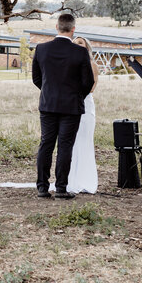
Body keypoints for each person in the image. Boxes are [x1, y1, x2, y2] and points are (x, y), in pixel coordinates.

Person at [33, 13, 96, 199]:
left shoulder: (42, 48)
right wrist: (76, 96)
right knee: (65, 146)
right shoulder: (80, 52)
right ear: (73, 29)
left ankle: (42, 188)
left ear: (56, 27)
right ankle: (61, 188)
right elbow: (88, 81)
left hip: (48, 104)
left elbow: (36, 78)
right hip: (71, 106)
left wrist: (48, 92)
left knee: (46, 144)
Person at [63, 36, 101, 195]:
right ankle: (71, 179)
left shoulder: (92, 65)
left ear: (87, 48)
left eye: (80, 43)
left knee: (84, 141)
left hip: (85, 105)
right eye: (74, 43)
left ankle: (85, 180)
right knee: (72, 143)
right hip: (69, 105)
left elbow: (91, 88)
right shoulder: (70, 64)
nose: (76, 45)